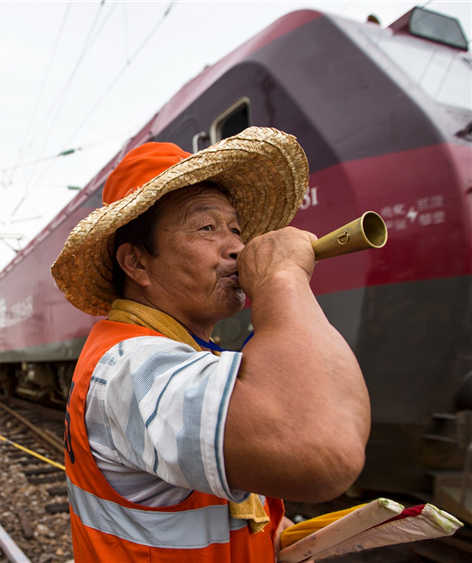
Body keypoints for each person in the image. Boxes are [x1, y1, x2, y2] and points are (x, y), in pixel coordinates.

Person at [51, 127, 371, 561]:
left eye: (235, 229)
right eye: (206, 228)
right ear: (137, 262)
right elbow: (324, 451)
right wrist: (282, 279)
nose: (238, 247)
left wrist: (265, 534)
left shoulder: (179, 352)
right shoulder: (130, 368)